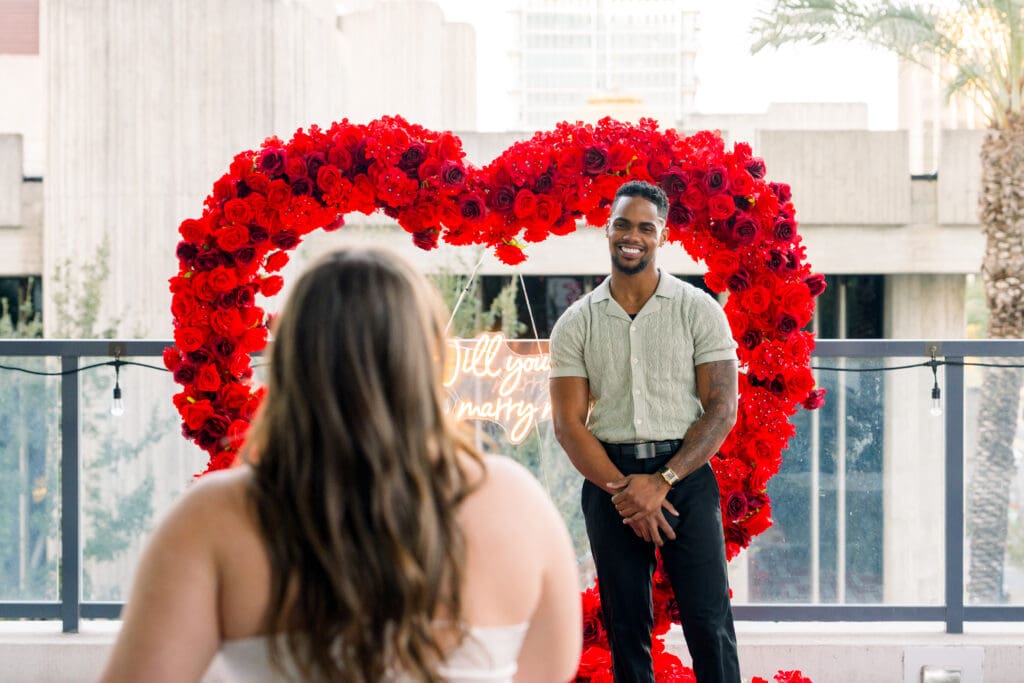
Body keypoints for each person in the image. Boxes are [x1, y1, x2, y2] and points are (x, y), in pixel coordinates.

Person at [100, 246, 582, 683]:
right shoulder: (518, 504)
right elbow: (550, 671)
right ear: (435, 361)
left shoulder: (213, 518)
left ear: (290, 361)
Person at [549, 180, 741, 683]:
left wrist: (662, 482)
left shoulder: (699, 309)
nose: (631, 236)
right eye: (622, 225)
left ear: (662, 235)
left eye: (644, 227)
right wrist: (625, 491)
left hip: (686, 479)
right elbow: (569, 425)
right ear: (607, 231)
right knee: (625, 624)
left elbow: (721, 410)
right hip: (609, 481)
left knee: (708, 621)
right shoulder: (576, 323)